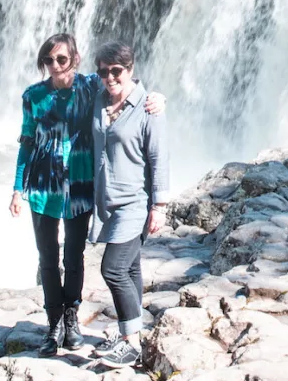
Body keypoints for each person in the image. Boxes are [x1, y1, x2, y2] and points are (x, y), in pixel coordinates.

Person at [8, 33, 164, 357]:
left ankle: (72, 317)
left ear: (75, 60)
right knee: (48, 259)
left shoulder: (91, 86)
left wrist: (158, 98)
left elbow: (125, 81)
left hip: (80, 190)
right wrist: (17, 188)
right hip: (42, 190)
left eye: (61, 59)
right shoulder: (33, 96)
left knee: (74, 257)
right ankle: (54, 325)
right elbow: (26, 143)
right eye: (48, 60)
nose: (55, 66)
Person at [86, 40, 169, 368]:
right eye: (103, 71)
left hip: (135, 203)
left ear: (130, 70)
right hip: (107, 202)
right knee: (131, 268)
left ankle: (129, 342)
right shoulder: (99, 98)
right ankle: (134, 333)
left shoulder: (149, 108)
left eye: (116, 71)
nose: (109, 77)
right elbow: (71, 79)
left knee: (113, 268)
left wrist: (159, 206)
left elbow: (159, 158)